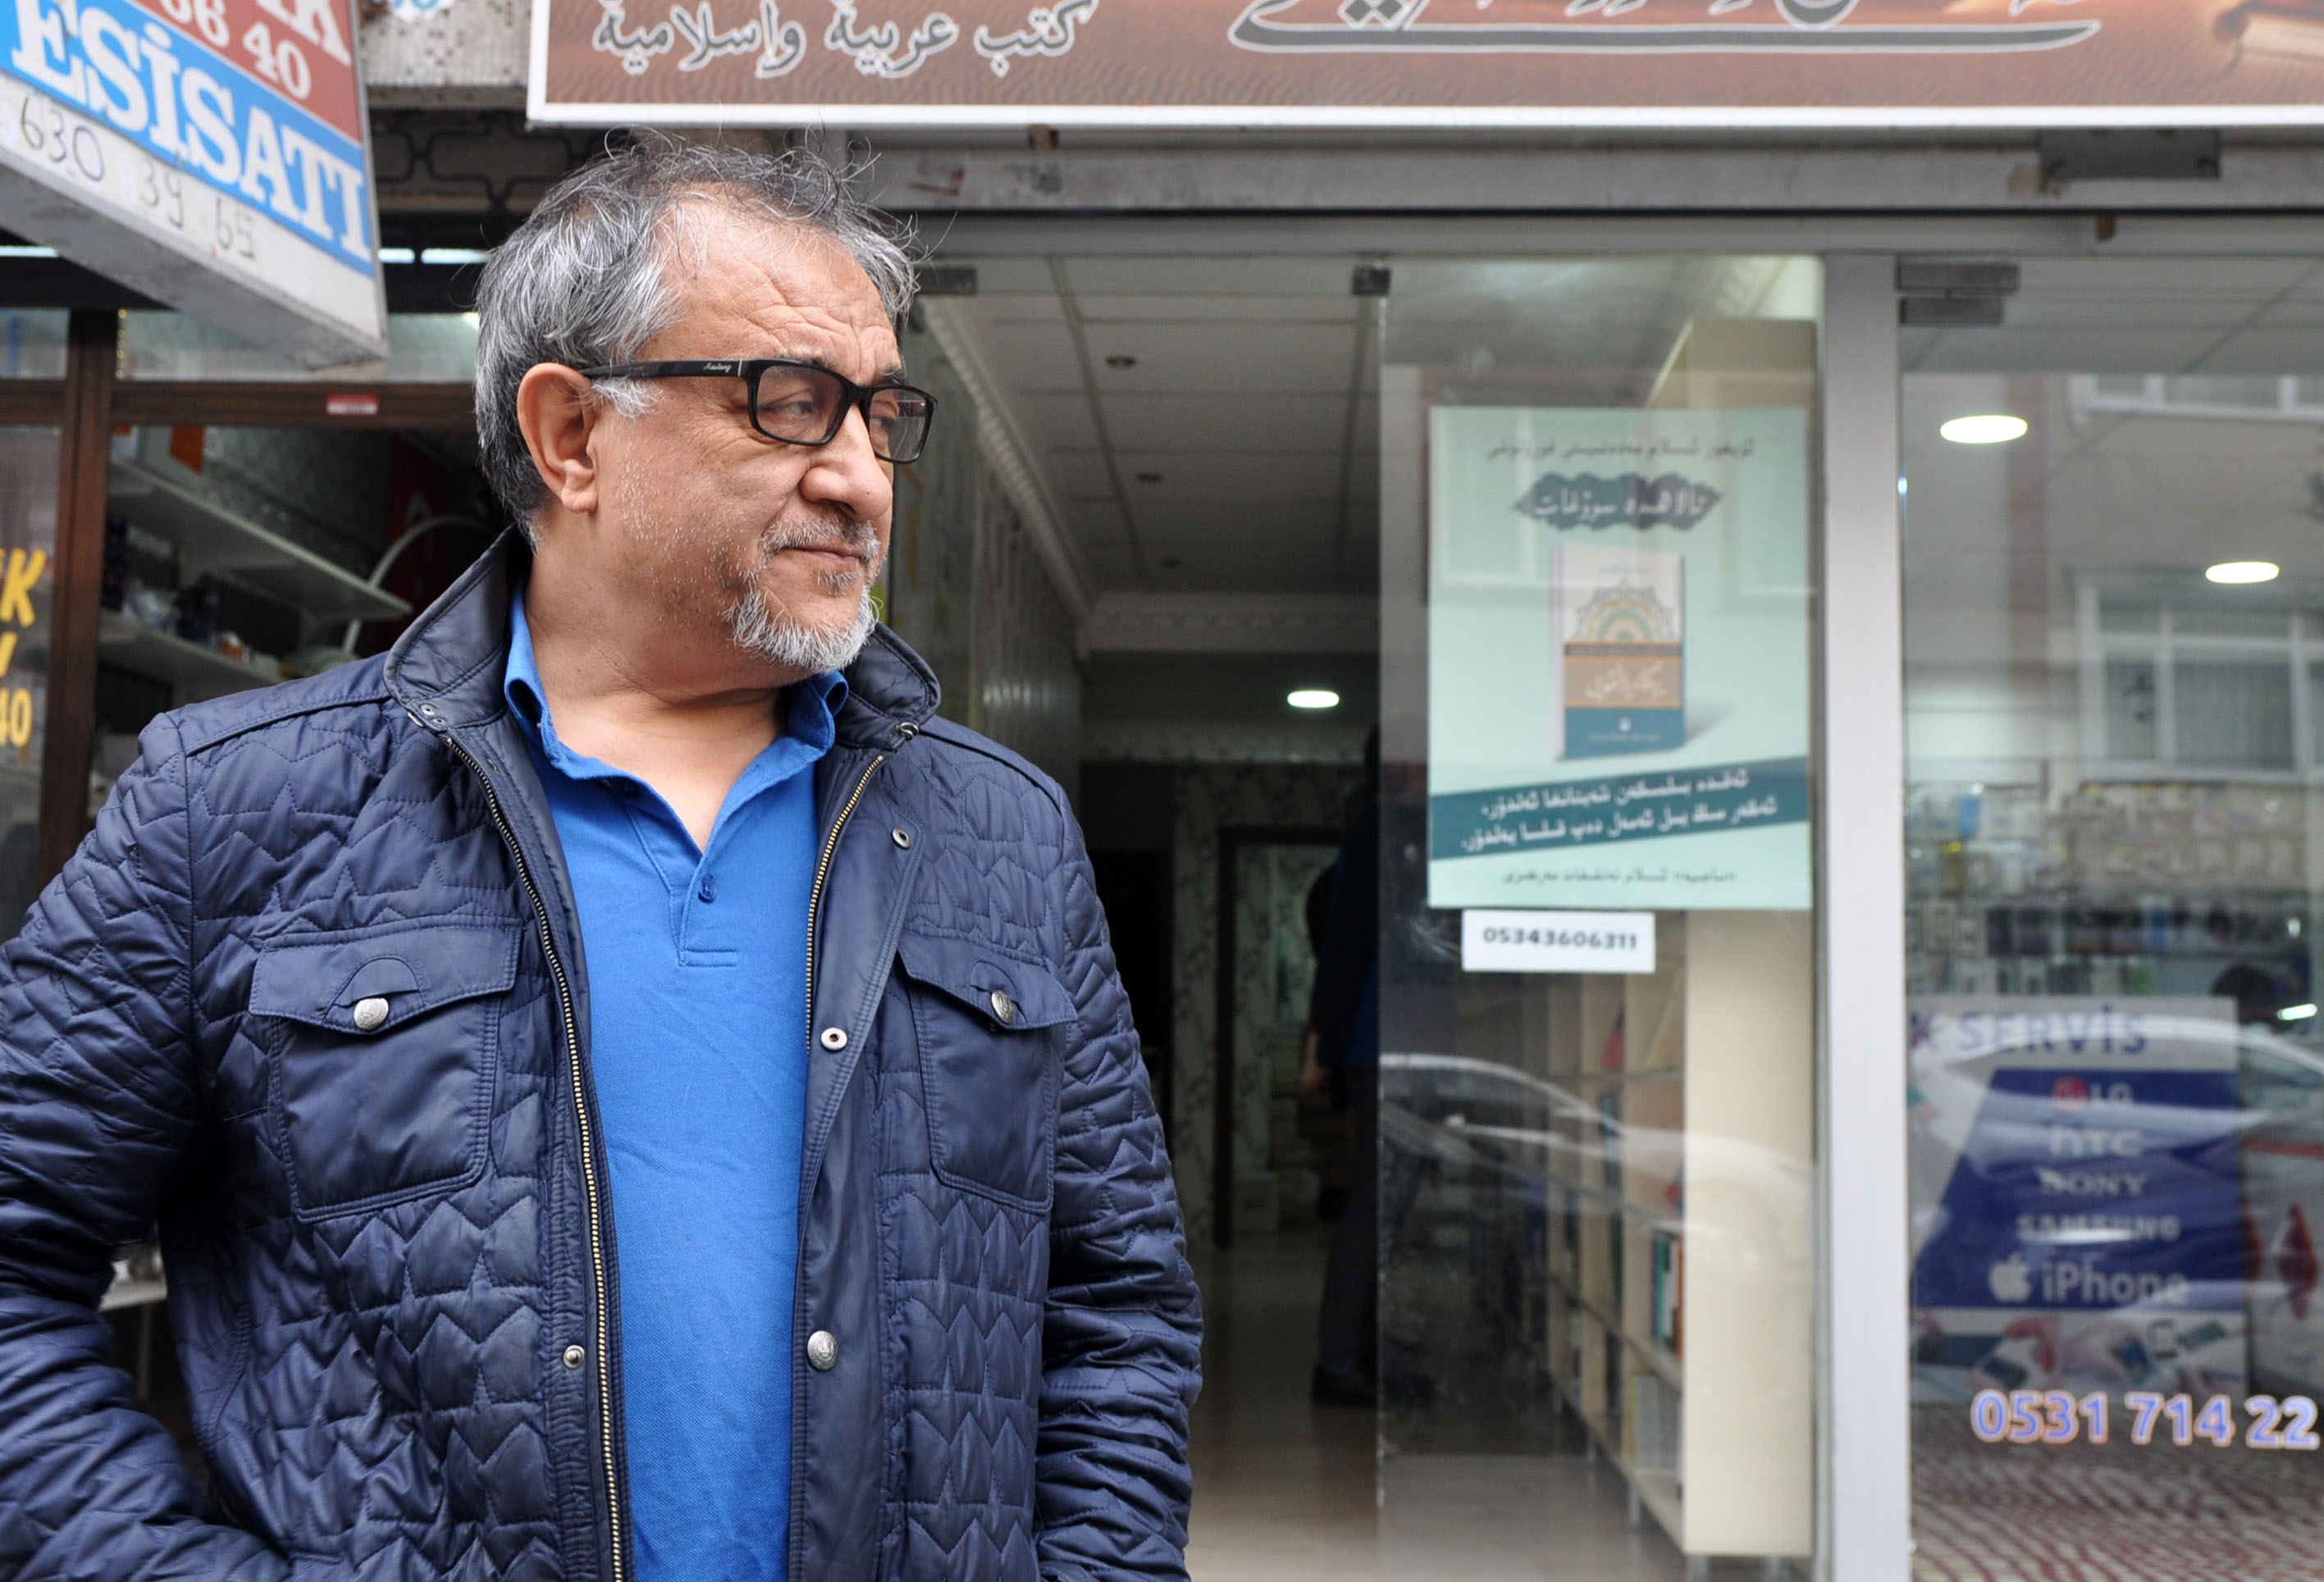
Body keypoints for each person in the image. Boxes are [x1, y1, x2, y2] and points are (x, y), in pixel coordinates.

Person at [0, 141, 1200, 1582]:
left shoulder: (999, 830)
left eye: (881, 418)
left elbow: (1117, 1307)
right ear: (572, 434)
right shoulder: (232, 807)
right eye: (792, 402)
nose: (863, 480)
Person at [1304, 730, 1380, 1407]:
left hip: (1374, 1047)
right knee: (1379, 1202)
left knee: (1382, 1202)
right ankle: (1341, 1360)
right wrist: (1324, 1051)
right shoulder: (1381, 845)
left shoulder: (1366, 849)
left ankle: (1356, 1352)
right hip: (1384, 1047)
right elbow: (1344, 957)